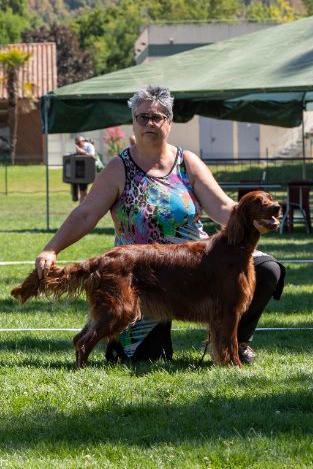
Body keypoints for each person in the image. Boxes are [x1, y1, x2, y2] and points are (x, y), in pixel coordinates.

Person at [34, 85, 284, 364]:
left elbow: (223, 207)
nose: (149, 123)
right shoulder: (118, 168)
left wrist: (253, 218)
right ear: (133, 121)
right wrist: (51, 249)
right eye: (142, 117)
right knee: (146, 356)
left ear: (169, 122)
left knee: (266, 268)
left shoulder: (187, 162)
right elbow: (85, 214)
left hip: (197, 266)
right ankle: (116, 341)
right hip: (144, 274)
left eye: (157, 117)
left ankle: (235, 341)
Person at [70, 135, 99, 202]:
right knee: (81, 192)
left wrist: (83, 152)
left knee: (83, 192)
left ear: (83, 141)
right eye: (76, 143)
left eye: (79, 143)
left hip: (89, 170)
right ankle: (77, 197)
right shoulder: (77, 147)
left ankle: (83, 205)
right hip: (79, 171)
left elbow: (93, 157)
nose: (78, 145)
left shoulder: (89, 146)